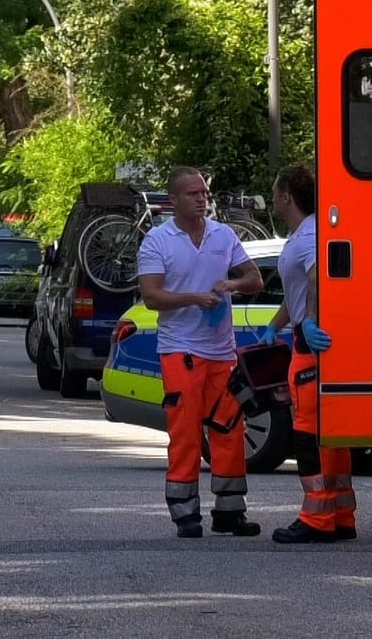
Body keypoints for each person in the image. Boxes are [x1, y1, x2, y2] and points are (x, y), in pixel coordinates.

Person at [137, 166, 265, 539]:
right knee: (186, 431)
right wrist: (195, 297)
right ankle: (184, 512)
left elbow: (255, 279)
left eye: (204, 193)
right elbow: (151, 296)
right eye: (192, 194)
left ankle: (229, 512)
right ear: (173, 200)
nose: (201, 199)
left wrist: (233, 283)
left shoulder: (223, 235)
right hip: (181, 350)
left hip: (222, 352)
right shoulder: (157, 241)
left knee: (229, 430)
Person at [258, 163, 356, 544]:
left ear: (286, 197)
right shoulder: (306, 234)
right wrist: (275, 324)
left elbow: (318, 278)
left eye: (274, 194)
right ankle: (341, 515)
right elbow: (297, 291)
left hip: (309, 346)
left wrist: (309, 322)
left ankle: (316, 517)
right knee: (332, 433)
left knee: (308, 433)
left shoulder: (308, 236)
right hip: (305, 336)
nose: (272, 200)